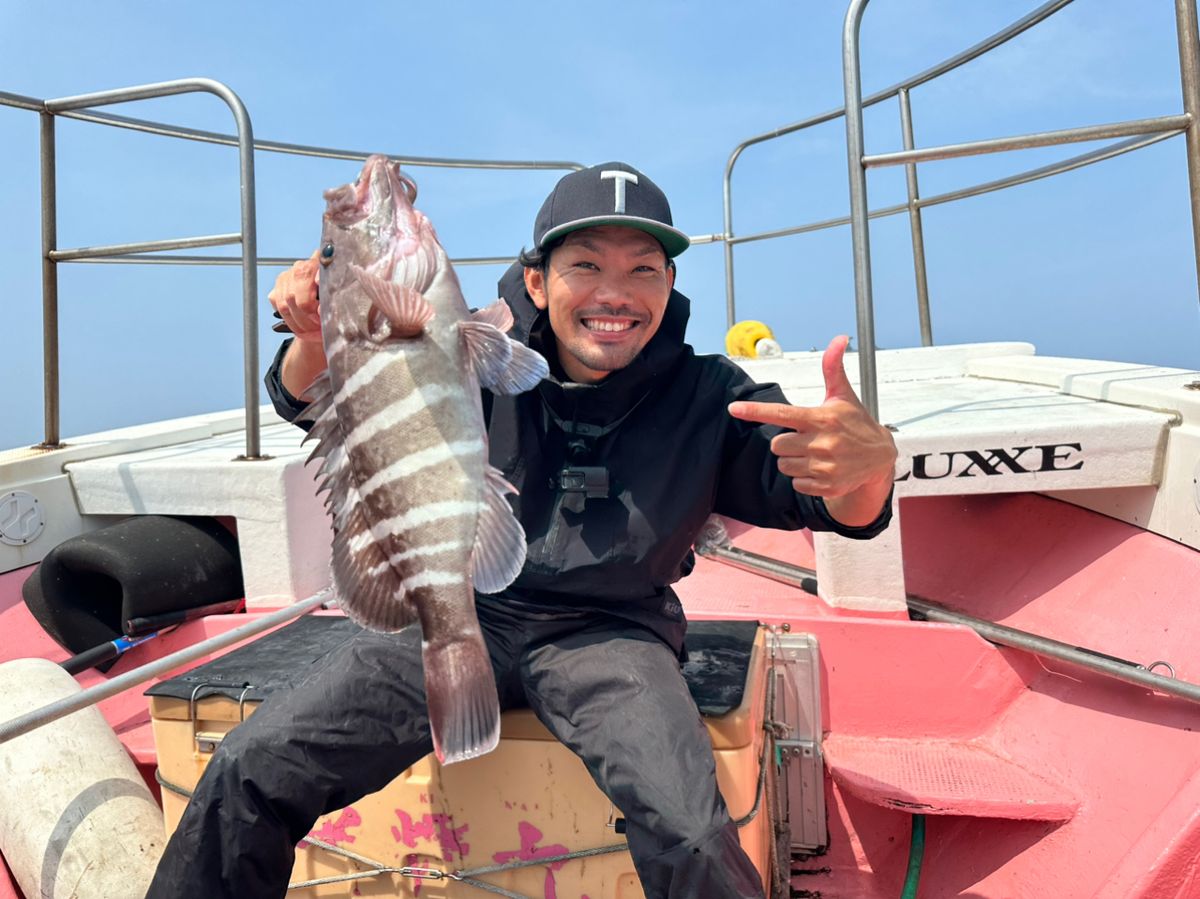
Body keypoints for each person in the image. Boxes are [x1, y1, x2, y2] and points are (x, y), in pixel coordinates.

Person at [147, 161, 897, 899]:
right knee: (250, 763)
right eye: (586, 265)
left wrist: (869, 469)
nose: (615, 293)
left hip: (613, 631)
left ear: (670, 286)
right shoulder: (469, 346)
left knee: (693, 834)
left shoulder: (711, 394)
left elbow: (833, 504)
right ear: (536, 279)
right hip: (454, 607)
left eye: (644, 270)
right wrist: (315, 328)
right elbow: (320, 398)